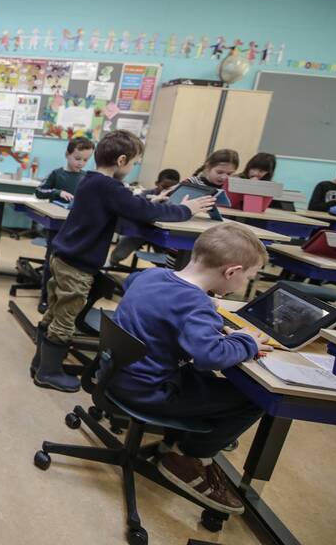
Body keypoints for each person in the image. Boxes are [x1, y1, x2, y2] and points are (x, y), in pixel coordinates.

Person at [31, 131, 215, 392]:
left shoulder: (91, 180)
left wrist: (153, 199)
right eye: (133, 162)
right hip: (78, 265)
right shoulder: (109, 187)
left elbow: (130, 204)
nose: (132, 167)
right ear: (121, 160)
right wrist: (186, 210)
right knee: (65, 317)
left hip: (64, 257)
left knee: (54, 311)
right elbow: (142, 211)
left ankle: (40, 364)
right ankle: (48, 373)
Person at [111, 223, 271, 515]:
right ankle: (190, 457)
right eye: (250, 276)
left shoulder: (153, 275)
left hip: (120, 373)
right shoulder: (196, 305)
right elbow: (209, 355)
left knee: (204, 379)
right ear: (231, 271)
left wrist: (196, 306)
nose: (247, 282)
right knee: (254, 399)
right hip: (150, 391)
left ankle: (177, 440)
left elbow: (129, 283)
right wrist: (244, 341)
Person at [108, 168, 180, 266]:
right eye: (164, 187)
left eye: (171, 189)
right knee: (120, 253)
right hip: (140, 231)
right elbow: (137, 210)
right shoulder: (146, 194)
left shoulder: (176, 199)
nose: (166, 191)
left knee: (167, 257)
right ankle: (112, 263)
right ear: (157, 183)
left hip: (160, 234)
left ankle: (162, 270)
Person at [35, 136, 94, 202]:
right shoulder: (56, 174)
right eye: (77, 159)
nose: (81, 163)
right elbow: (38, 191)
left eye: (85, 160)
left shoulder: (86, 177)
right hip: (54, 211)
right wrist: (58, 192)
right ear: (67, 154)